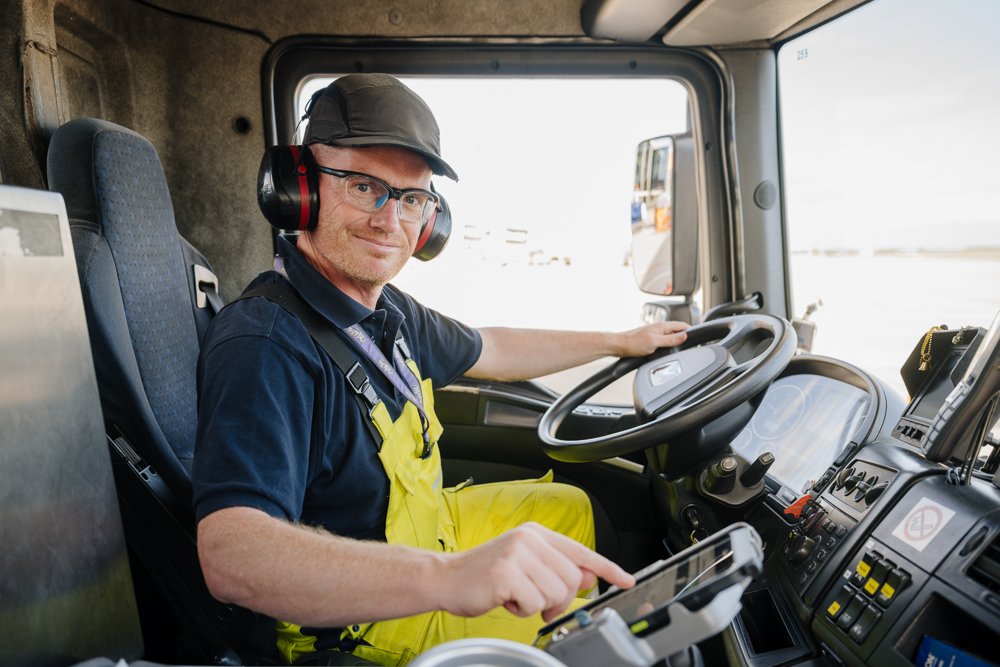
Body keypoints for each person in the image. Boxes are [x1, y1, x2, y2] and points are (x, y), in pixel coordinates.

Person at [193, 73, 689, 666]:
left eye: (411, 198)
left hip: (428, 535)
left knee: (574, 512)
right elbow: (231, 554)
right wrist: (448, 578)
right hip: (360, 626)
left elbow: (493, 349)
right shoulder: (266, 344)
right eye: (363, 186)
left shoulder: (386, 310)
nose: (390, 221)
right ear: (300, 189)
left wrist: (619, 341)